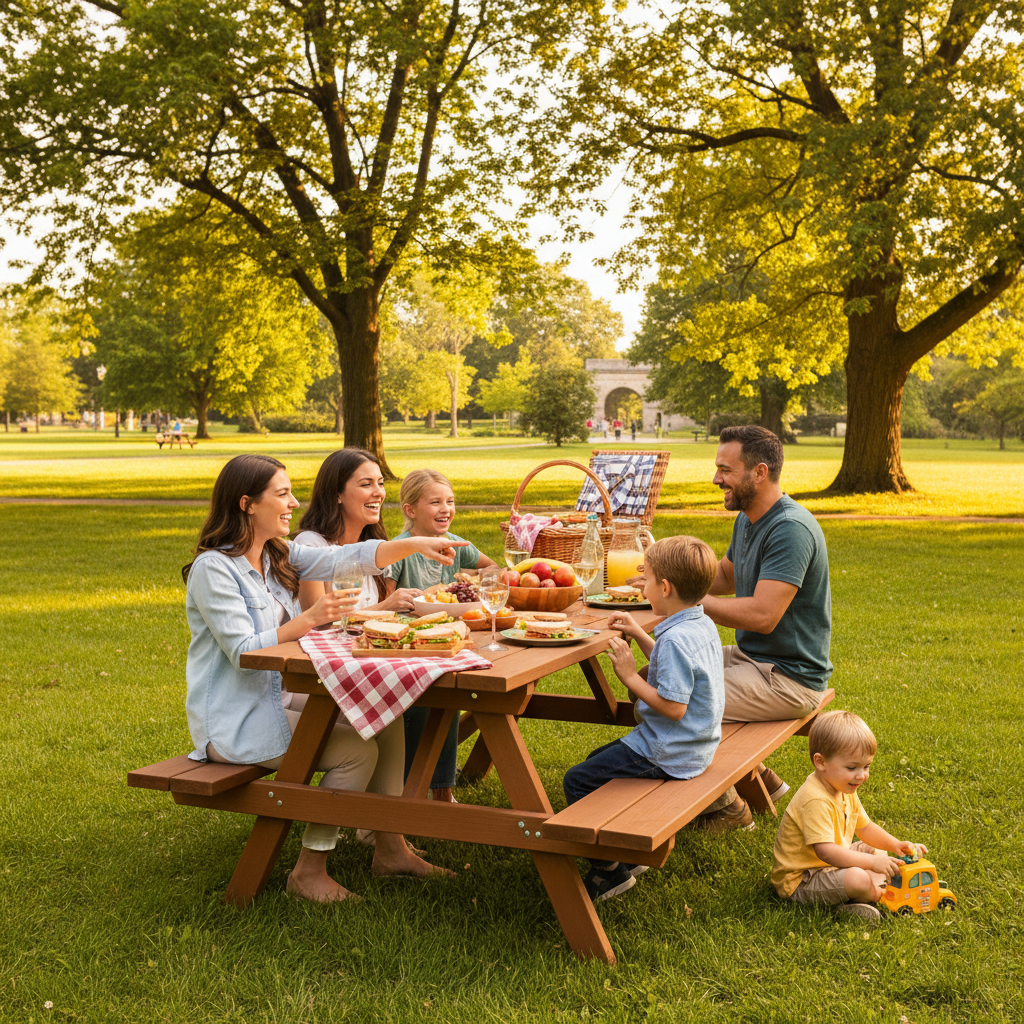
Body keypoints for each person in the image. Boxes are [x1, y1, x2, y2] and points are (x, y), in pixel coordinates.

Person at [183, 453, 467, 902]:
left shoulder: (277, 553)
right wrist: (308, 620)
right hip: (234, 718)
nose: (294, 503)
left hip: (275, 698)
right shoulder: (213, 569)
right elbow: (242, 652)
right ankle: (308, 871)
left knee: (385, 714)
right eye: (281, 494)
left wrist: (415, 544)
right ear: (247, 504)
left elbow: (346, 556)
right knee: (356, 751)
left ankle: (389, 846)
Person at [563, 535, 723, 901]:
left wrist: (629, 676)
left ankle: (610, 873)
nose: (643, 586)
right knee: (594, 766)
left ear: (664, 588)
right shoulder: (698, 625)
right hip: (695, 743)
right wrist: (638, 632)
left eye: (646, 579)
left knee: (577, 781)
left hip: (670, 750)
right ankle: (626, 858)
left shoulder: (677, 639)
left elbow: (672, 706)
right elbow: (673, 671)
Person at [697, 425, 832, 833]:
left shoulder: (790, 528)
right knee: (653, 677)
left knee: (672, 696)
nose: (716, 478)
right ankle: (762, 781)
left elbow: (762, 616)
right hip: (754, 659)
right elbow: (725, 576)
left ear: (758, 472)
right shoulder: (750, 518)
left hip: (788, 678)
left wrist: (688, 603)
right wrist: (666, 575)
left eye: (725, 469)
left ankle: (727, 807)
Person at [386, 468, 497, 803]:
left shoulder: (456, 545)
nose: (446, 508)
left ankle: (441, 788)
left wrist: (470, 582)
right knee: (434, 698)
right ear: (410, 510)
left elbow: (493, 571)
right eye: (435, 502)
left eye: (449, 501)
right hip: (407, 646)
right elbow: (386, 605)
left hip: (450, 639)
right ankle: (411, 786)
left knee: (452, 693)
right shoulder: (397, 550)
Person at [772, 710, 926, 924]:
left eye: (866, 766)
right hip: (804, 880)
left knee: (875, 849)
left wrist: (895, 844)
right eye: (852, 767)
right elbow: (826, 852)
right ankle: (876, 895)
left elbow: (865, 827)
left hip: (831, 864)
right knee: (858, 877)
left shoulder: (842, 787)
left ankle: (863, 890)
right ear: (821, 762)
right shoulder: (814, 799)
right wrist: (871, 863)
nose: (861, 775)